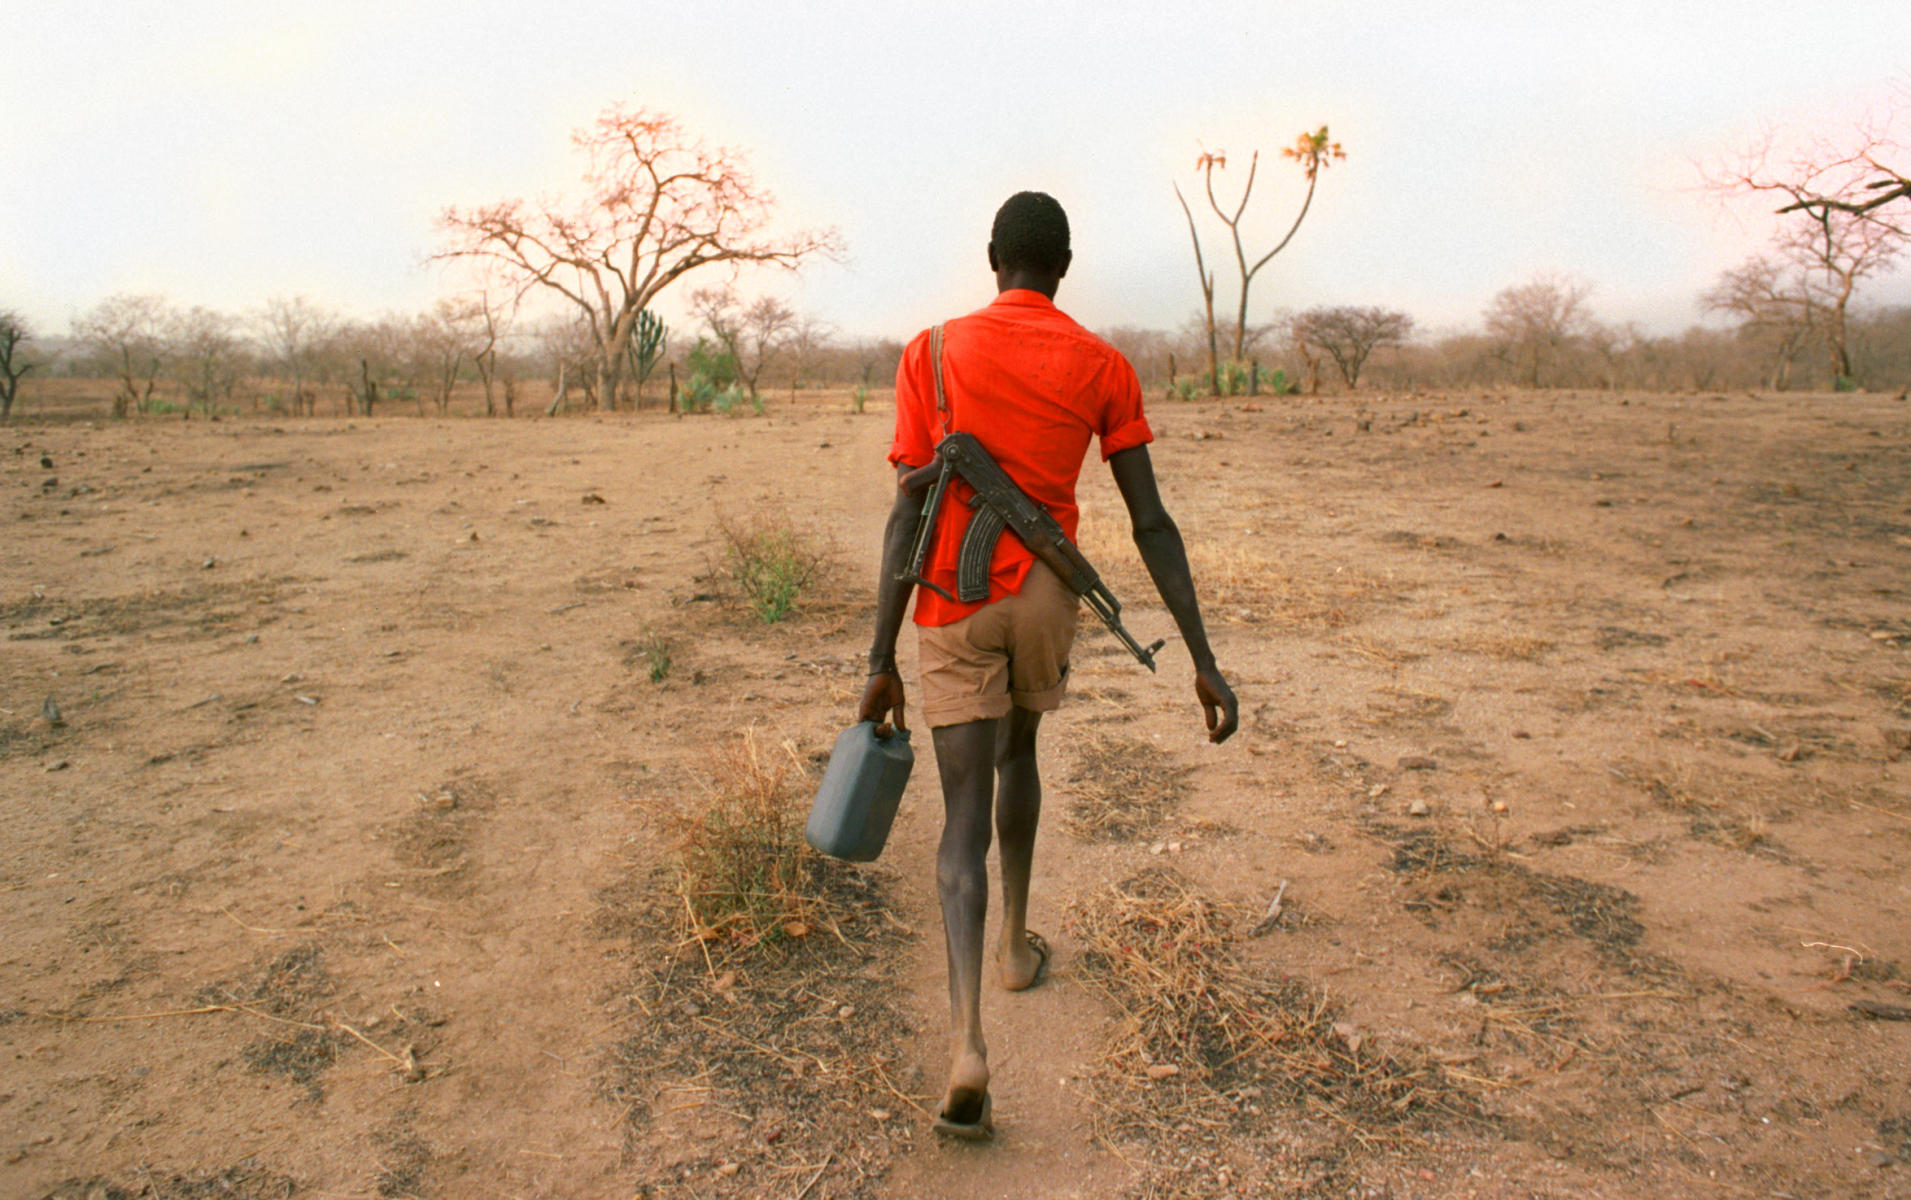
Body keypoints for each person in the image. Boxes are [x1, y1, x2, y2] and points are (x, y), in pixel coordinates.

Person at [857, 191, 1238, 1140]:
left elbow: (907, 511)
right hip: (1042, 602)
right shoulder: (1102, 364)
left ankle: (967, 1047)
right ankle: (1017, 949)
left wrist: (877, 660)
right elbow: (1151, 521)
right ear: (1063, 266)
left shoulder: (929, 352)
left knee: (958, 822)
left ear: (992, 255)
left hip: (950, 600)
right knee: (1018, 761)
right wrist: (1202, 659)